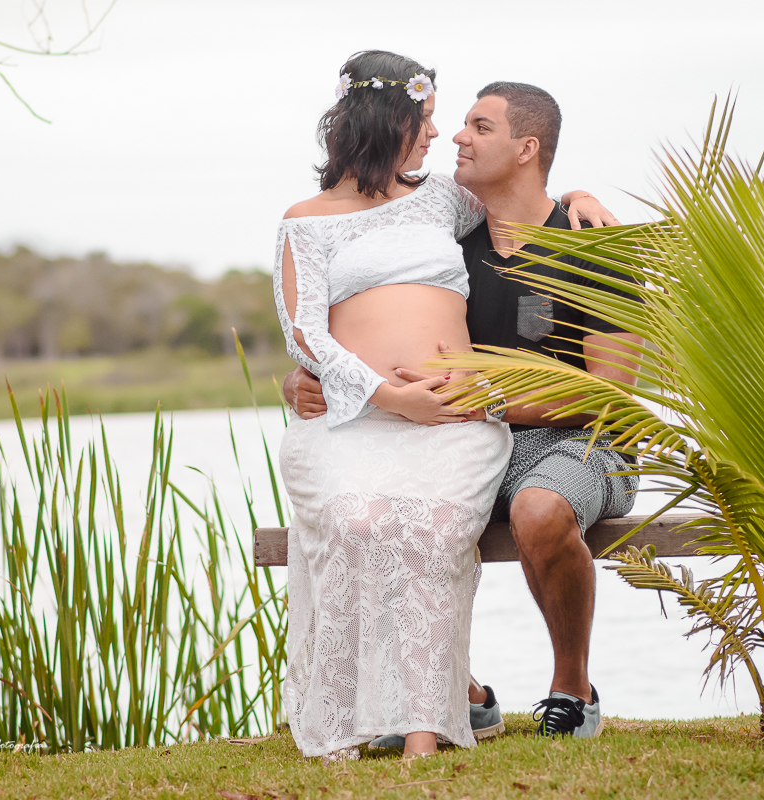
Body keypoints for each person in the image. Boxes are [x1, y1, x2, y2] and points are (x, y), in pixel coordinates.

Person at [274, 51, 613, 762]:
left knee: (464, 521)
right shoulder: (378, 218)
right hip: (393, 418)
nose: (447, 136)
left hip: (503, 432)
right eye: (433, 121)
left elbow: (614, 393)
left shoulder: (526, 225)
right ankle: (444, 698)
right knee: (367, 518)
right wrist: (336, 385)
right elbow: (314, 323)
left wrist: (580, 195)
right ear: (386, 120)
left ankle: (525, 700)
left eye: (470, 124)